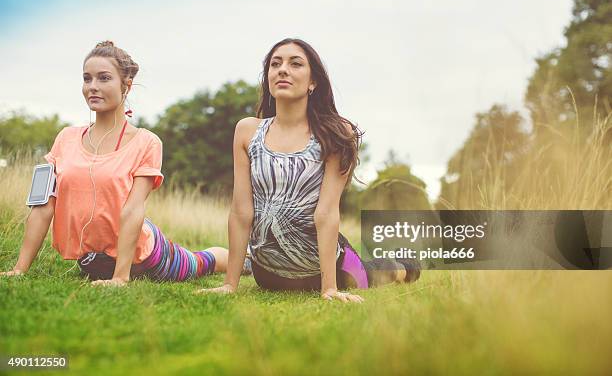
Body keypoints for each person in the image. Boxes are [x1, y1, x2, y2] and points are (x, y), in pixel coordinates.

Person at [199, 38, 420, 302]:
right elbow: (241, 211)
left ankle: (403, 265)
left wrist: (329, 288)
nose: (283, 70)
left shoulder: (334, 134)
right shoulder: (247, 131)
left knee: (366, 276)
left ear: (313, 82)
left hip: (330, 268)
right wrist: (229, 285)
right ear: (268, 77)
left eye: (295, 64)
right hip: (267, 273)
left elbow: (326, 213)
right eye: (275, 64)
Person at [0, 41, 229, 286]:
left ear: (126, 86)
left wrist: (120, 277)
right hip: (93, 259)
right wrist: (19, 269)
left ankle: (244, 259)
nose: (93, 87)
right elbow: (42, 206)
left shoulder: (147, 142)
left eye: (104, 78)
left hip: (147, 255)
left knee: (202, 261)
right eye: (87, 79)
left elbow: (133, 210)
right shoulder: (65, 138)